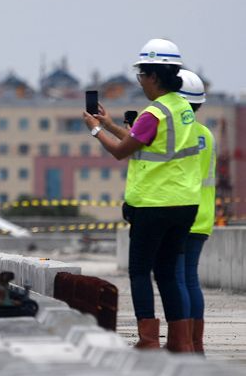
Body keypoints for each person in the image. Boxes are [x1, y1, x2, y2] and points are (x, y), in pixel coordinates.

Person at [82, 38, 201, 352]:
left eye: (141, 76)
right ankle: (180, 343)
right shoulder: (182, 109)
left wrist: (95, 130)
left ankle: (148, 340)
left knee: (139, 271)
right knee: (168, 273)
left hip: (153, 205)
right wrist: (110, 124)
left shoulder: (154, 113)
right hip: (185, 204)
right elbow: (142, 141)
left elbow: (122, 151)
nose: (140, 82)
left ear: (153, 76)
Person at [174, 69, 216, 354]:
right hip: (203, 217)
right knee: (190, 278)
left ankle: (182, 342)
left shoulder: (179, 133)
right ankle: (195, 343)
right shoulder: (206, 134)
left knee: (177, 279)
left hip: (181, 213)